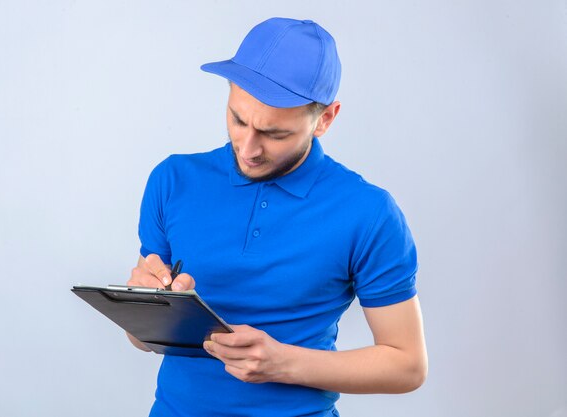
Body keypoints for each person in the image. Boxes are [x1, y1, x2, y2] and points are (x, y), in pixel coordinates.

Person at [127, 17, 428, 417]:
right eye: (238, 119)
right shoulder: (172, 181)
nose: (249, 148)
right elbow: (143, 340)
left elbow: (406, 365)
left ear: (326, 118)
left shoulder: (369, 213)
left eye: (274, 134)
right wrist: (140, 309)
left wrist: (284, 363)